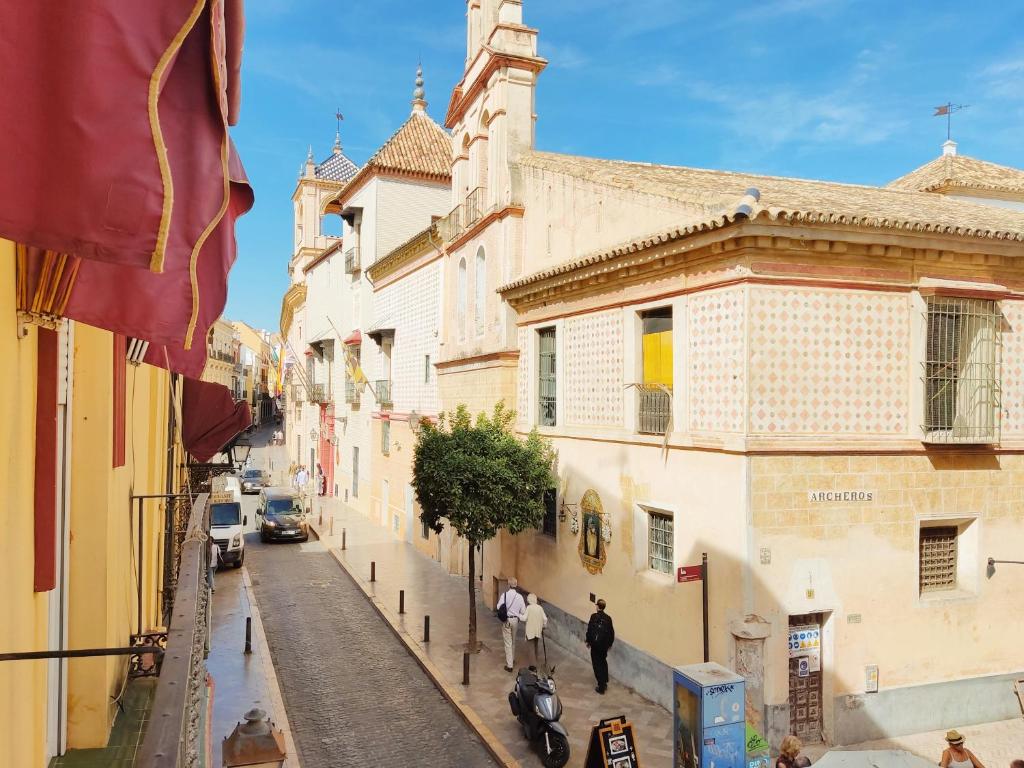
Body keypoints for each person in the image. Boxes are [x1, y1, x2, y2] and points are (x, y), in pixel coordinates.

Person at [496, 578, 527, 672]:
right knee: (513, 641)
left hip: (507, 620)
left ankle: (510, 665)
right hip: (515, 620)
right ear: (516, 585)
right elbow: (523, 611)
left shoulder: (504, 595)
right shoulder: (520, 597)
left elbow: (498, 607)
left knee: (508, 643)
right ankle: (512, 659)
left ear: (508, 585)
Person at [585, 598, 615, 693]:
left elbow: (590, 630)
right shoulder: (608, 618)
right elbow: (611, 633)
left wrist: (588, 641)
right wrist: (609, 644)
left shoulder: (593, 616)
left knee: (596, 664)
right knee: (603, 662)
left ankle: (601, 686)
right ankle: (605, 682)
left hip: (595, 645)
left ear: (598, 606)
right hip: (603, 646)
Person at [523, 593, 548, 669]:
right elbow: (545, 618)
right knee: (535, 646)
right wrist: (544, 625)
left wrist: (518, 615)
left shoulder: (529, 608)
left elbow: (524, 618)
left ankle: (533, 665)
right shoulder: (540, 608)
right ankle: (535, 661)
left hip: (530, 631)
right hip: (537, 630)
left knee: (531, 648)